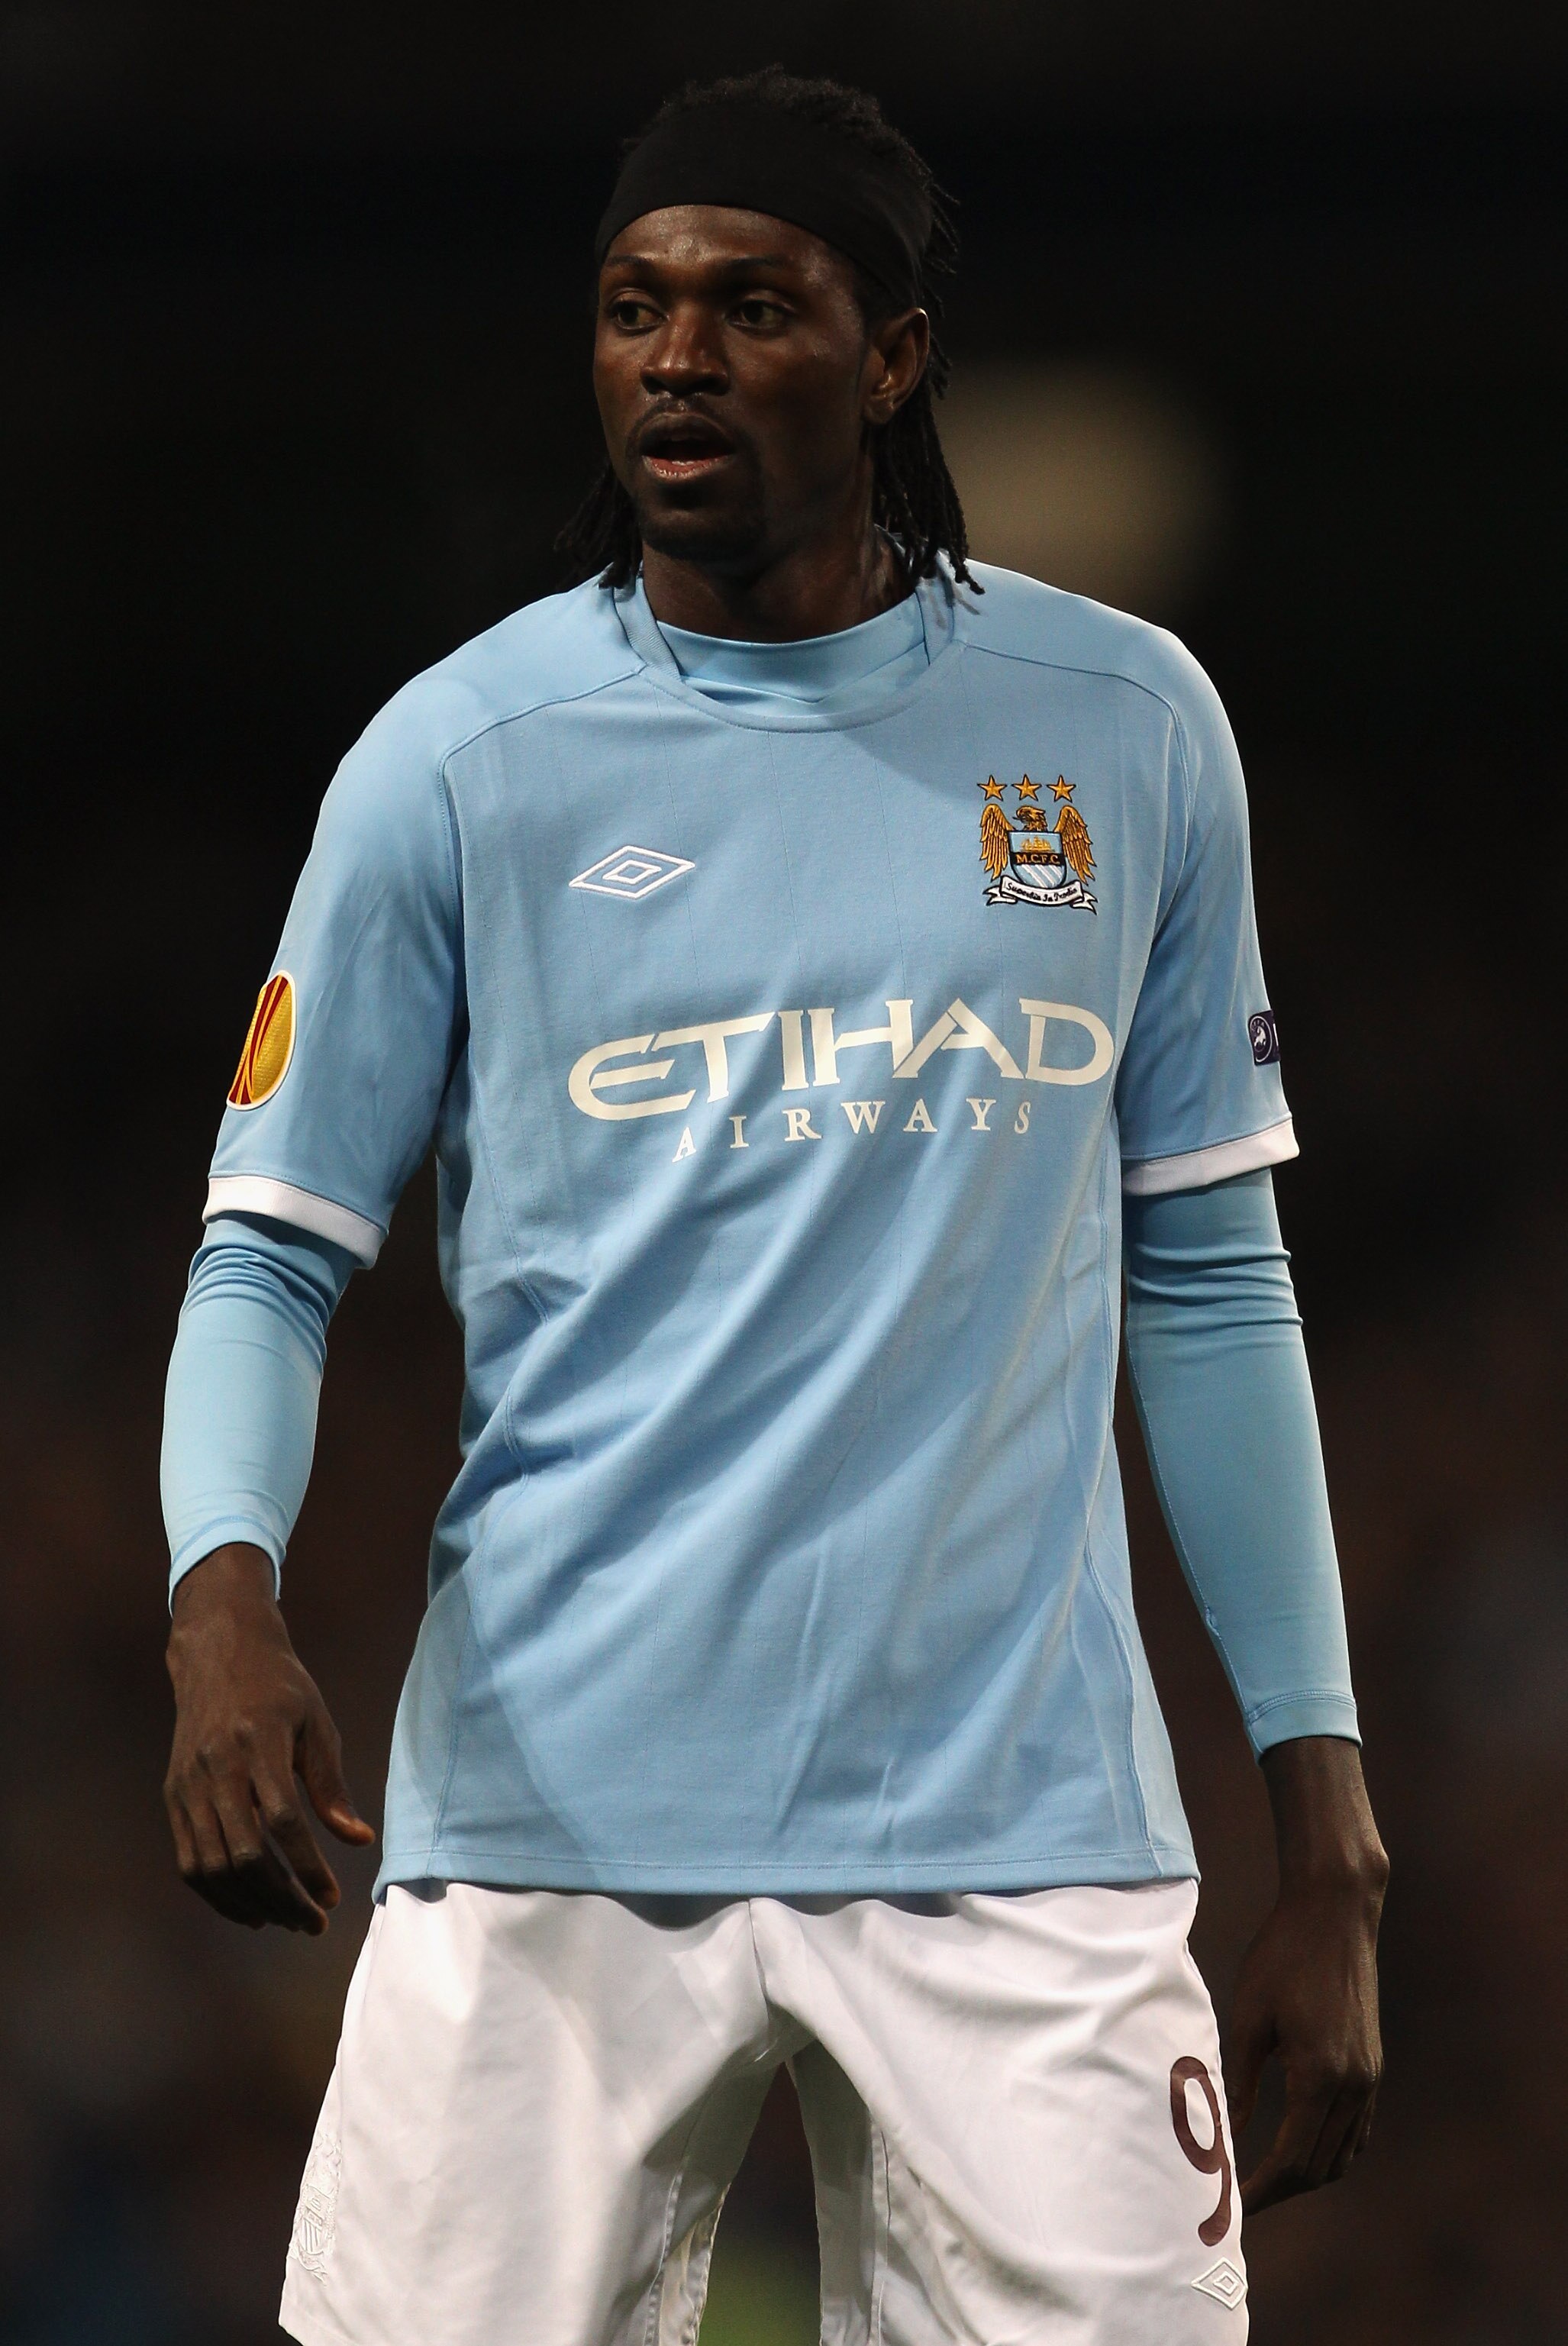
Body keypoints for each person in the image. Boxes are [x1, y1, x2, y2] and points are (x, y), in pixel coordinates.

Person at [160, 67, 1387, 2346]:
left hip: (1021, 1831)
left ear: (894, 355)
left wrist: (1328, 1826)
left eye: (754, 304)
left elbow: (1213, 1275)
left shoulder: (1124, 726)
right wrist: (217, 1605)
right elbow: (268, 1244)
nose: (680, 357)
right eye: (635, 308)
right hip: (551, 1817)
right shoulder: (461, 757)